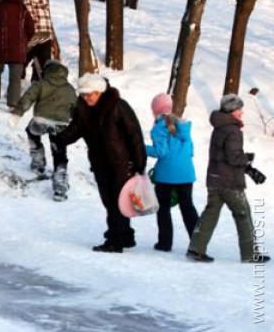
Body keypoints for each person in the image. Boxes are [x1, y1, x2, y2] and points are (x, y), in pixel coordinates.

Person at [56, 73, 147, 252]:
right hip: (100, 163)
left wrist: (139, 163)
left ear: (99, 92)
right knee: (110, 201)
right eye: (83, 94)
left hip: (122, 163)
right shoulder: (83, 110)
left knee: (116, 202)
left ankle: (115, 240)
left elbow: (134, 135)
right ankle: (125, 235)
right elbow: (75, 130)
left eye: (90, 94)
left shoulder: (118, 106)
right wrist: (60, 138)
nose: (86, 98)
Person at [187, 94, 270, 263]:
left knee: (210, 214)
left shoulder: (219, 127)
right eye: (239, 109)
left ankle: (196, 248)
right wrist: (247, 160)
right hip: (230, 182)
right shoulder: (233, 130)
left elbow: (224, 155)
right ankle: (250, 254)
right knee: (243, 215)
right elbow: (233, 157)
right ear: (232, 110)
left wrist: (247, 165)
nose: (241, 112)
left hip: (215, 179)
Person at [10, 60, 77, 200]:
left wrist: (17, 113)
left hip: (40, 121)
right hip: (60, 125)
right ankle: (60, 186)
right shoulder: (70, 89)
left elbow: (27, 98)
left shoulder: (41, 84)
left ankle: (38, 163)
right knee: (59, 153)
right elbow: (75, 109)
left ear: (47, 71)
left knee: (32, 132)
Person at [144, 93, 199, 252]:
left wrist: (141, 148)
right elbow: (191, 150)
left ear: (155, 110)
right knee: (188, 208)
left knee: (163, 209)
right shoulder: (183, 125)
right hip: (186, 174)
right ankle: (198, 243)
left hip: (166, 176)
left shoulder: (159, 128)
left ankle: (165, 243)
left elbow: (161, 152)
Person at [19, 0, 54, 82]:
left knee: (21, 59)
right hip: (46, 35)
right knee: (43, 62)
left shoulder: (27, 0)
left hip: (34, 34)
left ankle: (19, 81)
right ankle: (39, 82)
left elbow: (30, 19)